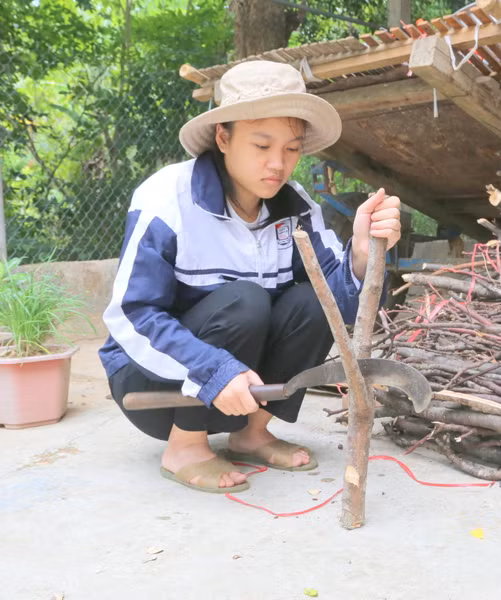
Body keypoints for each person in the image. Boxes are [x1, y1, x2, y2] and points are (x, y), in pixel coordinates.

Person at [99, 60, 402, 494]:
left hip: (244, 391)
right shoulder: (167, 199)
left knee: (312, 299)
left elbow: (338, 306)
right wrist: (214, 369)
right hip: (151, 387)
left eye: (292, 149)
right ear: (224, 137)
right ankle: (185, 447)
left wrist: (359, 251)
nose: (278, 164)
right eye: (261, 145)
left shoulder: (294, 207)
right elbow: (132, 315)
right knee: (245, 300)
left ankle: (251, 433)